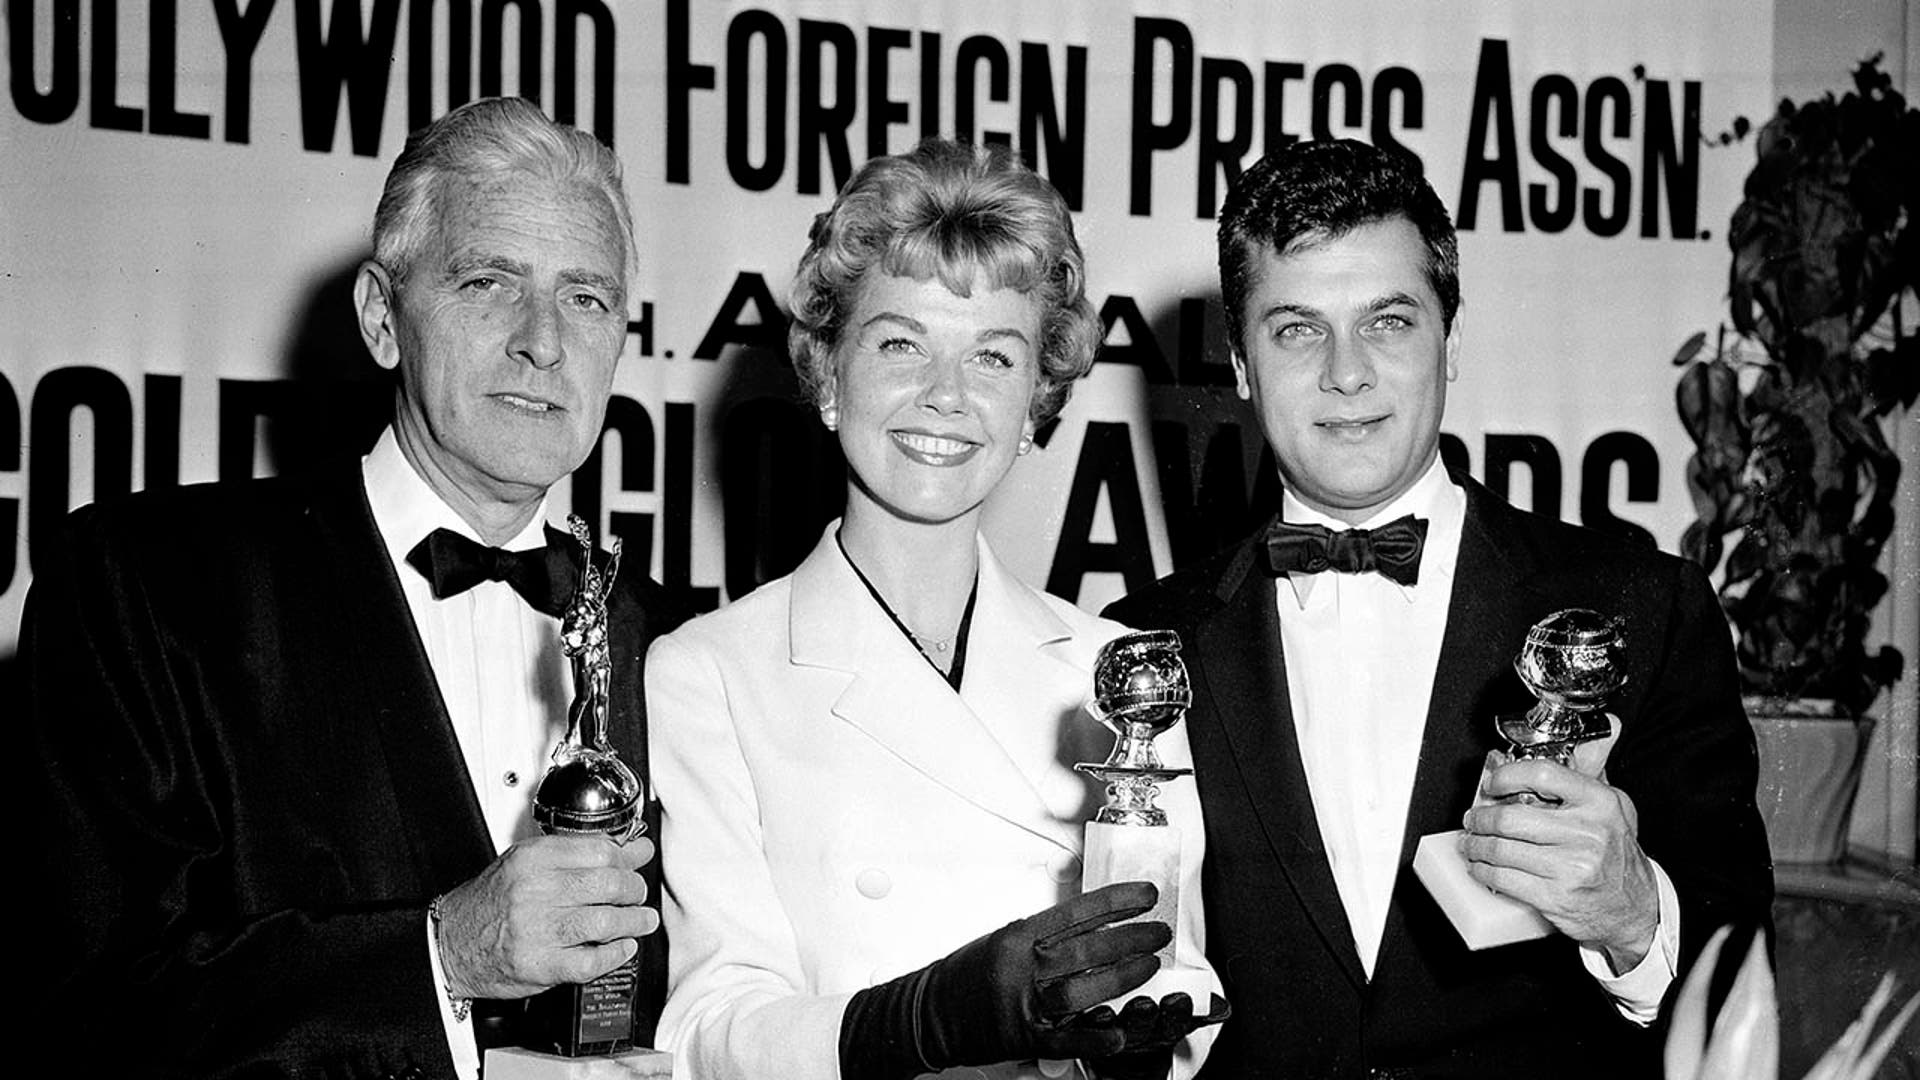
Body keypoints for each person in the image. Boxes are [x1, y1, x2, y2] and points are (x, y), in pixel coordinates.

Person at [21, 97, 690, 1079]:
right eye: (488, 282)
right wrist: (444, 958)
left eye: (585, 298)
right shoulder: (153, 588)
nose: (543, 341)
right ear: (382, 317)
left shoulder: (677, 642)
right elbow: (85, 1014)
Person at [1103, 138, 1774, 1078]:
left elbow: (1744, 982)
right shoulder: (1143, 645)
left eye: (1388, 322)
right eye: (1296, 329)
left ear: (1451, 343)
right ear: (1242, 366)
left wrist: (1633, 915)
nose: (1347, 373)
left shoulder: (1643, 606)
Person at [645, 139, 1224, 1080]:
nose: (946, 396)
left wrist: (1141, 1044)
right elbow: (707, 1029)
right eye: (902, 344)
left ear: (1036, 401)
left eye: (992, 357)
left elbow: (1174, 970)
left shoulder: (1114, 669)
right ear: (828, 373)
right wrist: (926, 1022)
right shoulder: (710, 672)